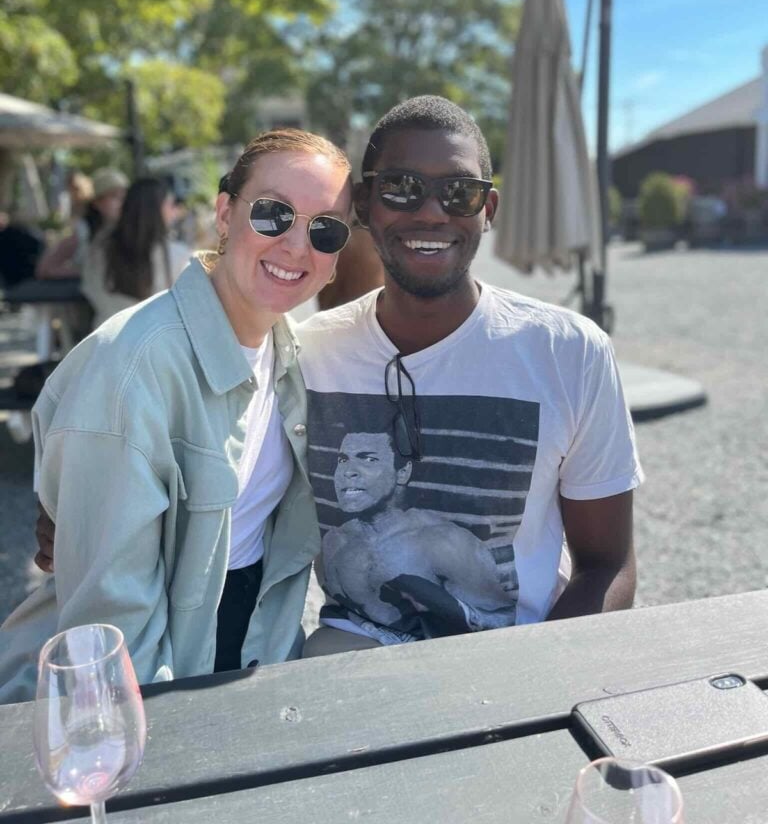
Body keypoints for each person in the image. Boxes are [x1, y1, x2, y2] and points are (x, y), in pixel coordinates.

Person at [0, 128, 353, 704]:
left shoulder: (294, 354)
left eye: (325, 229)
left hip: (250, 653)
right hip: (149, 683)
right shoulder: (132, 368)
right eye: (273, 214)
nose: (296, 245)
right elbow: (113, 629)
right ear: (224, 213)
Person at [297, 95, 642, 657]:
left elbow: (606, 565)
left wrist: (542, 674)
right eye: (402, 187)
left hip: (516, 657)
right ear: (363, 204)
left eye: (460, 192)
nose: (433, 212)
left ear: (489, 208)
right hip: (349, 652)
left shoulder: (569, 351)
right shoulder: (309, 351)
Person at [322, 431, 517, 641]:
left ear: (403, 472)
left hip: (455, 651)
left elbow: (502, 623)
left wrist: (438, 603)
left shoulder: (443, 542)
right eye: (343, 460)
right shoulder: (336, 541)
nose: (348, 472)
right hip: (366, 645)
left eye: (369, 459)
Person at [81, 176, 191, 327]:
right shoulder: (178, 255)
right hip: (154, 336)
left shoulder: (100, 247)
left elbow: (89, 289)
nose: (175, 212)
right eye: (171, 205)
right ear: (157, 209)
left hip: (106, 333)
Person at [36, 167, 128, 280]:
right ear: (97, 202)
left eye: (125, 197)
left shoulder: (130, 230)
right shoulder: (83, 232)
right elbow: (45, 268)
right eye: (114, 196)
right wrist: (84, 273)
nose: (122, 202)